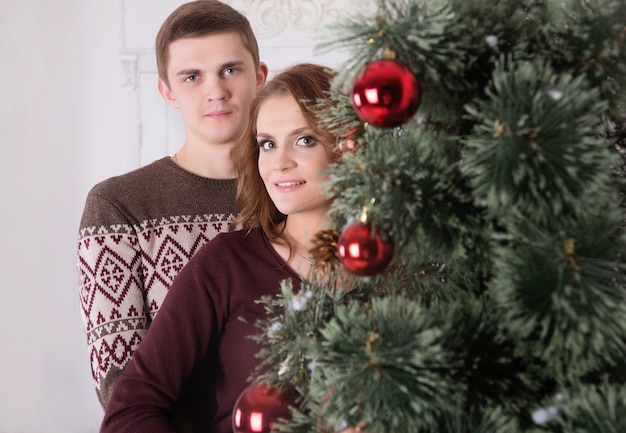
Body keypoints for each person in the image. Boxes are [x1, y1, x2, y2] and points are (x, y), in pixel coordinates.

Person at [100, 63, 339, 433]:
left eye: (305, 139)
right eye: (268, 144)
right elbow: (130, 411)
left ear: (348, 146)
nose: (280, 163)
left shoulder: (408, 270)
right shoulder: (226, 263)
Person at [77, 0, 268, 410]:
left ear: (261, 77)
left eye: (230, 69)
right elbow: (118, 383)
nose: (216, 90)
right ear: (167, 91)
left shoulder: (294, 192)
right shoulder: (117, 205)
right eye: (192, 76)